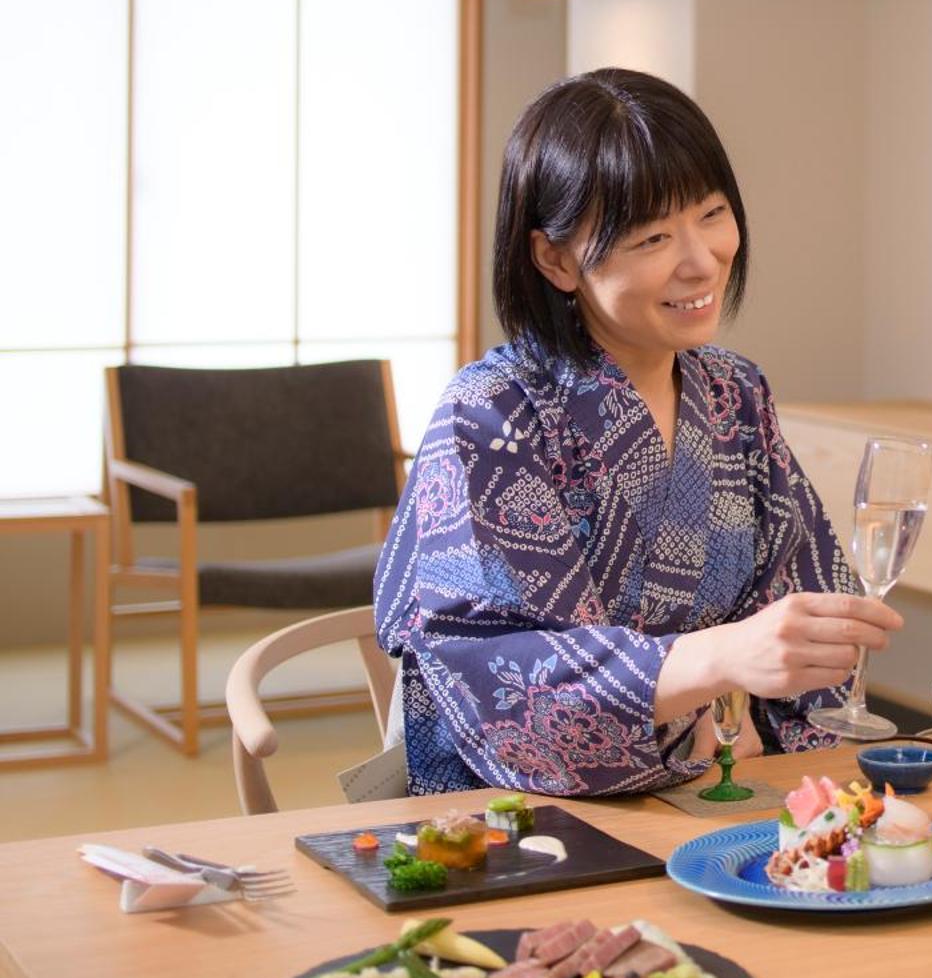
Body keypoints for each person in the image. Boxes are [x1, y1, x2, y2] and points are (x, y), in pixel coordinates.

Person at [374, 69, 901, 796]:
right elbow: (495, 675)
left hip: (712, 791)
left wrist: (766, 685)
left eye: (712, 214)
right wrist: (716, 664)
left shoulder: (734, 393)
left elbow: (803, 601)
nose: (701, 259)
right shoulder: (492, 415)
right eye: (652, 235)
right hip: (527, 813)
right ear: (555, 259)